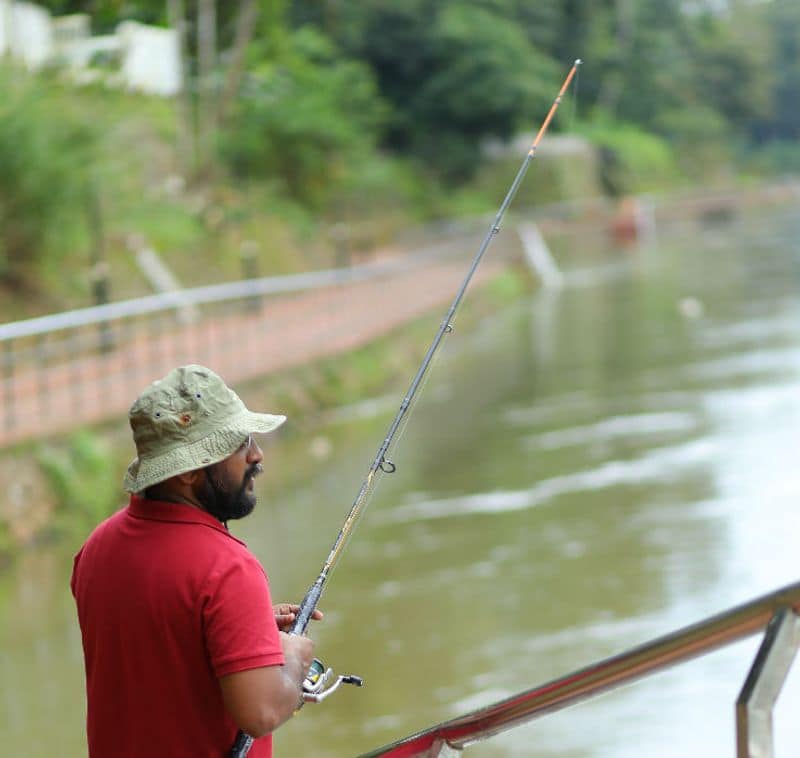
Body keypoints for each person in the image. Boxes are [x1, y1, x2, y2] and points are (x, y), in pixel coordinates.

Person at [71, 364, 321, 757]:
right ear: (188, 472)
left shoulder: (97, 548)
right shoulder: (227, 567)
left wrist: (244, 632)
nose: (256, 454)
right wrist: (293, 657)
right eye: (238, 444)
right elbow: (261, 711)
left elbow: (156, 647)